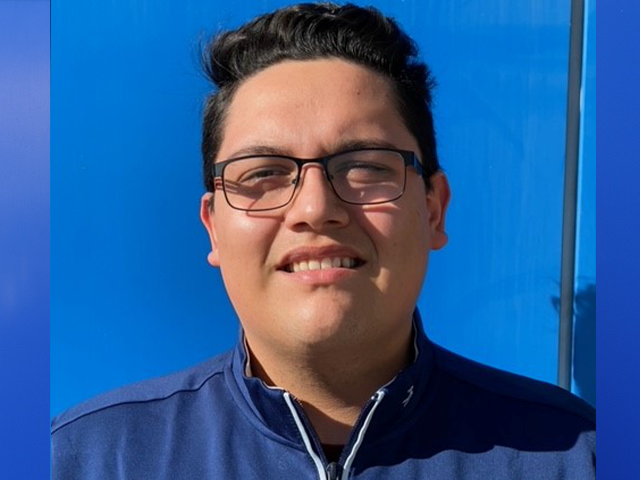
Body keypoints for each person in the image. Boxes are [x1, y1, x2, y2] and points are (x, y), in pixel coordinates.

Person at [51, 3, 595, 479]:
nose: (314, 209)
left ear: (433, 209)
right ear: (213, 226)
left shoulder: (579, 457)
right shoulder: (85, 459)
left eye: (365, 167)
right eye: (263, 173)